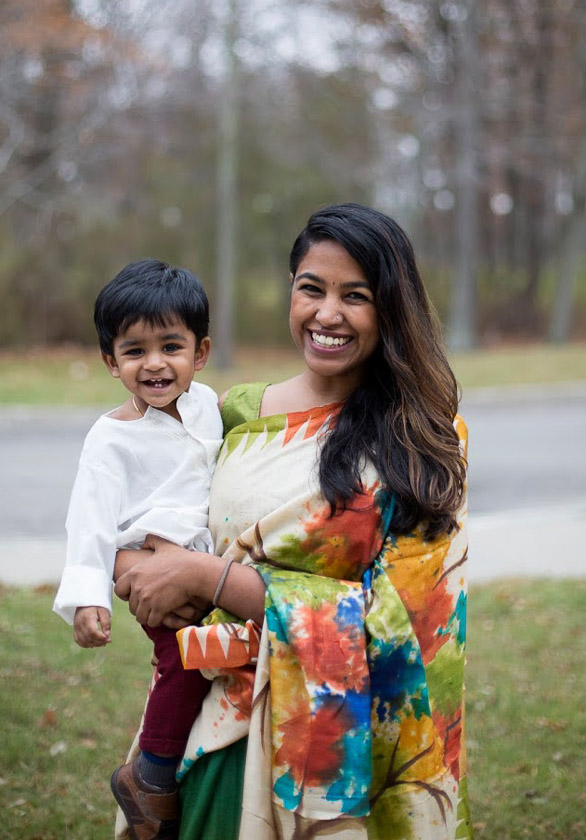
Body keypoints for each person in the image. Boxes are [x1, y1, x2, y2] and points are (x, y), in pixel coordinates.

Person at [114, 203, 474, 840]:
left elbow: (407, 630)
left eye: (355, 296)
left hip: (336, 754)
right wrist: (133, 568)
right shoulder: (235, 415)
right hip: (210, 732)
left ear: (391, 309)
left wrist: (206, 577)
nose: (326, 314)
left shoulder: (424, 443)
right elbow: (140, 512)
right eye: (312, 288)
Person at [52, 259, 223, 838]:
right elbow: (90, 521)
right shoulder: (110, 438)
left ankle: (198, 763)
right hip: (153, 569)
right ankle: (149, 777)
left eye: (170, 346)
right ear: (111, 362)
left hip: (209, 562)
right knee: (184, 658)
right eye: (134, 351)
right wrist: (86, 596)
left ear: (199, 353)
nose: (154, 363)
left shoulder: (210, 408)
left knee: (217, 658)